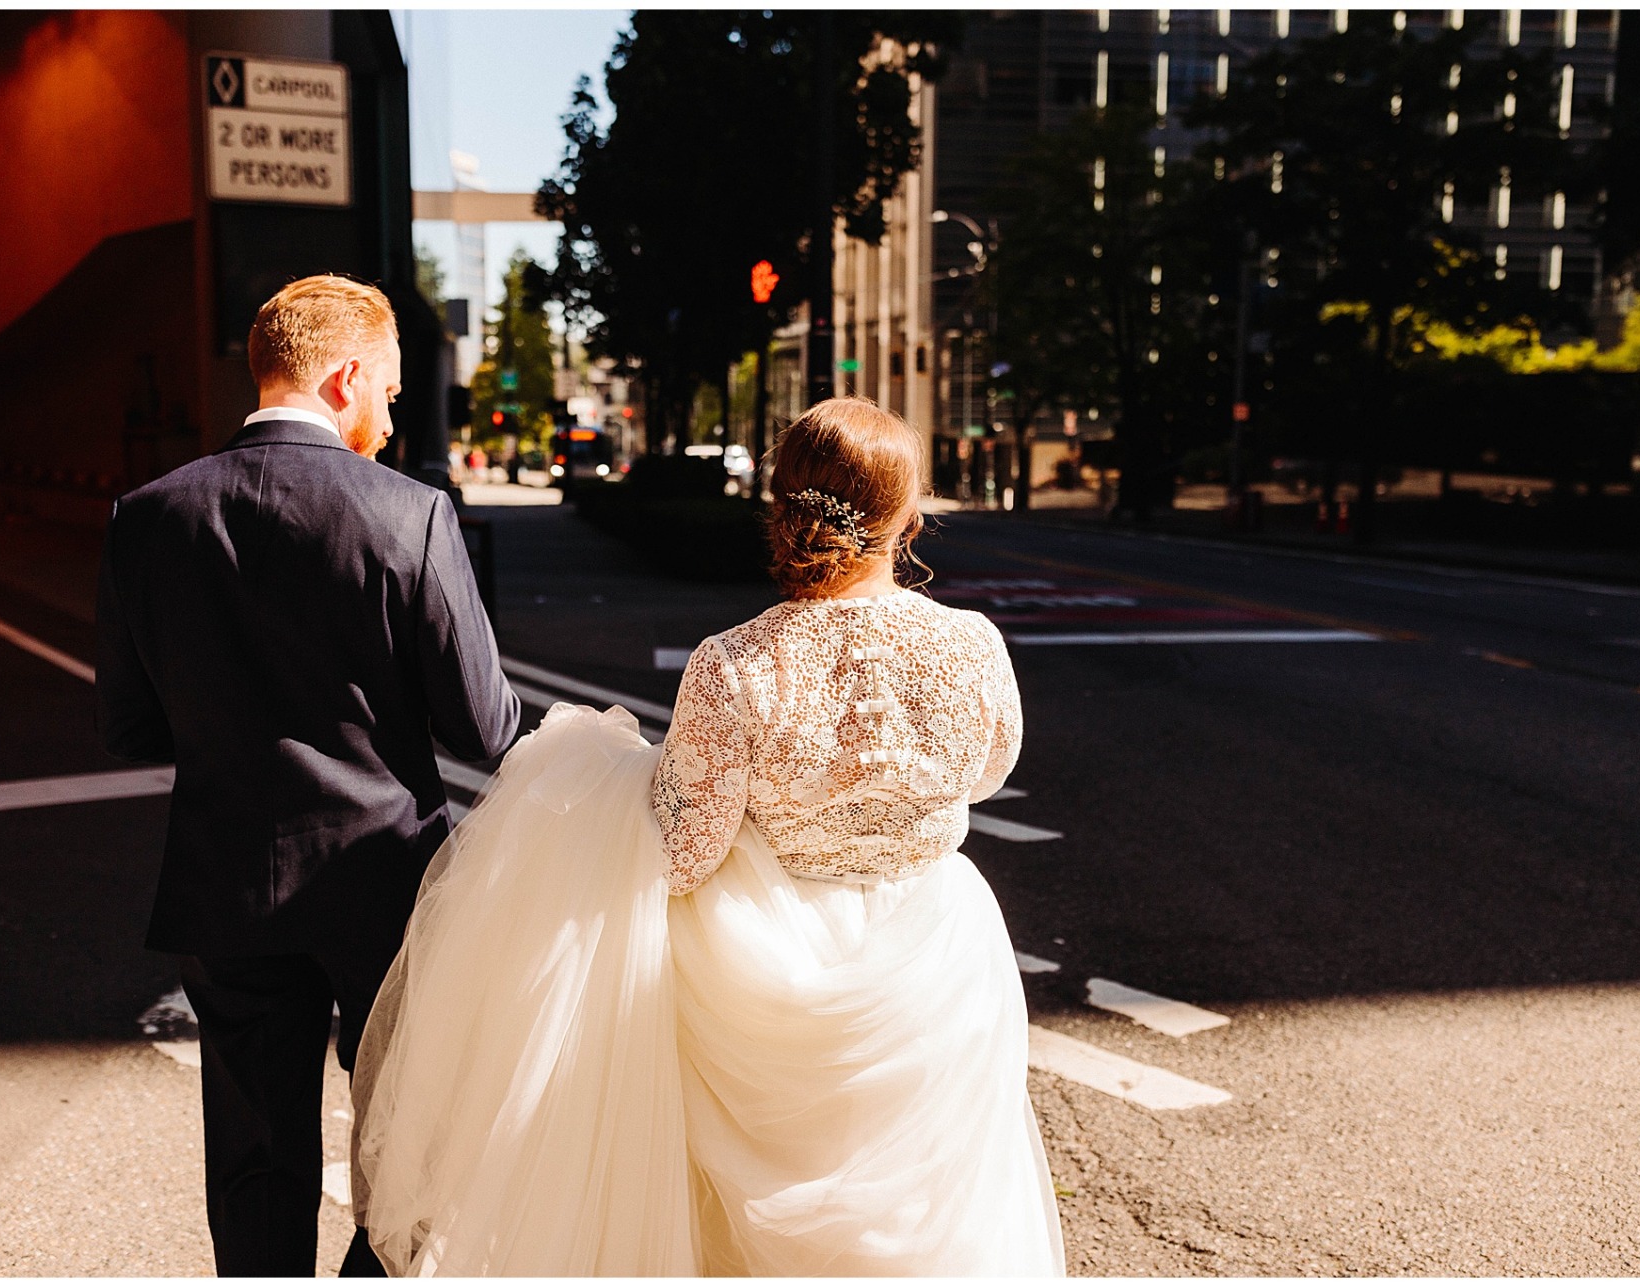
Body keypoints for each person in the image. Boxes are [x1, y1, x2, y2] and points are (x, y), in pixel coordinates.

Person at [353, 396, 1065, 1275]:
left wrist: (608, 782)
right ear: (908, 517)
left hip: (765, 968)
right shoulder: (975, 648)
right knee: (943, 1205)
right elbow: (987, 773)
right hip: (933, 958)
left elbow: (684, 853)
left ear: (781, 509)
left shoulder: (734, 662)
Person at [95, 274, 521, 1277]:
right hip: (384, 881)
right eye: (390, 391)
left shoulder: (148, 517)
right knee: (415, 1142)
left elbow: (126, 726)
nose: (390, 411)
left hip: (226, 878)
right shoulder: (408, 514)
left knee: (253, 1156)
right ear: (345, 378)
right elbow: (482, 725)